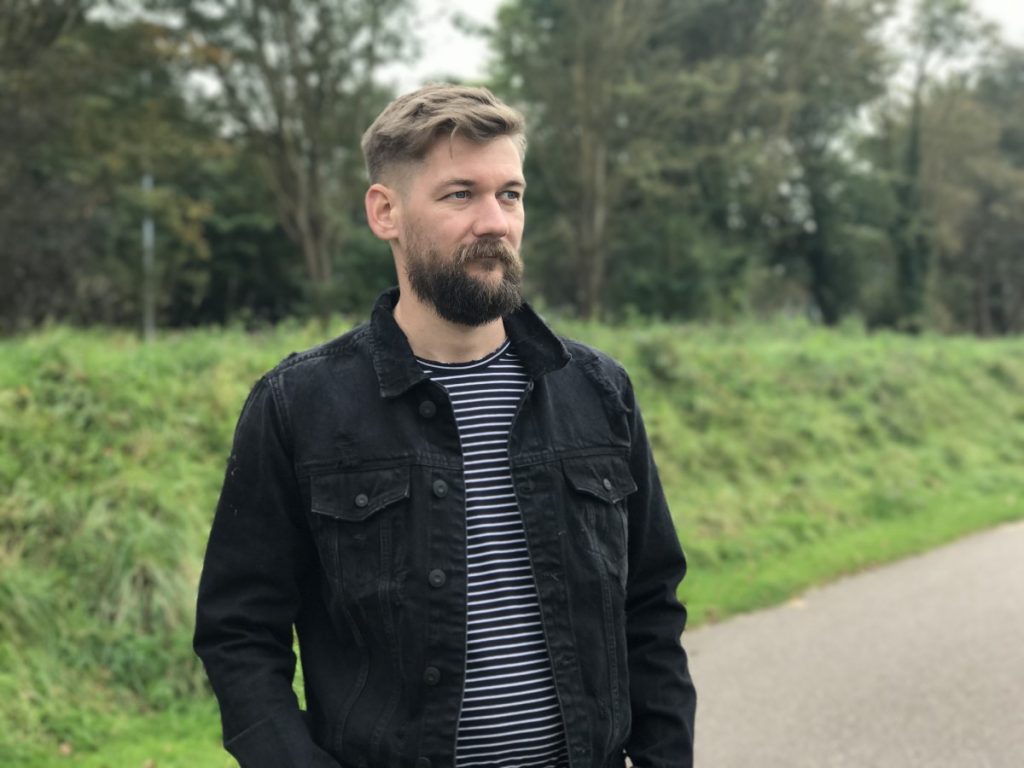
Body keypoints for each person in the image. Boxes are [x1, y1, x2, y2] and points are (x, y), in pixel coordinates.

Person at [194, 83, 696, 768]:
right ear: (386, 212)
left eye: (510, 194)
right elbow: (239, 633)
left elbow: (651, 607)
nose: (495, 222)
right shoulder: (298, 406)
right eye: (461, 195)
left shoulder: (598, 391)